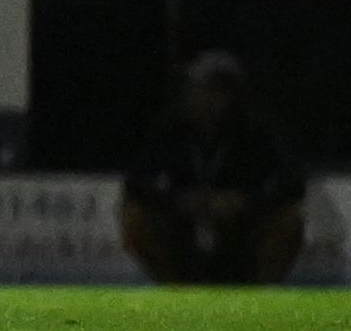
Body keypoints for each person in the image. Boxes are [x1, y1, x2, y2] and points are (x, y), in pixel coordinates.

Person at [122, 50, 307, 285]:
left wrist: (244, 201)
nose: (194, 96)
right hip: (184, 226)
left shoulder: (257, 133)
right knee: (135, 216)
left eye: (205, 89)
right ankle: (174, 289)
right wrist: (178, 200)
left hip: (242, 230)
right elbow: (136, 181)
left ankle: (260, 291)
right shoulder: (172, 130)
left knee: (290, 220)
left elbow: (292, 181)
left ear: (227, 95)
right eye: (194, 89)